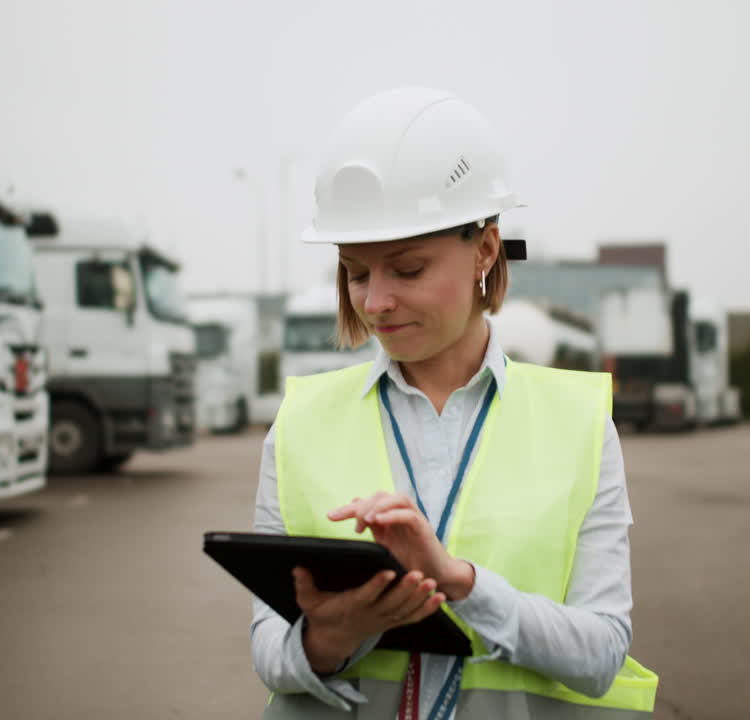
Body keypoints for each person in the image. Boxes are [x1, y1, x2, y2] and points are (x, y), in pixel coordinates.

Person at [251, 87, 657, 719]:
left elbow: (602, 653)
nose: (376, 301)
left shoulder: (578, 424)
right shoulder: (301, 421)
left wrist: (460, 583)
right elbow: (268, 648)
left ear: (486, 251)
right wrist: (328, 639)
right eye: (356, 273)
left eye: (406, 270)